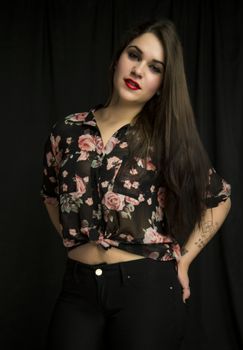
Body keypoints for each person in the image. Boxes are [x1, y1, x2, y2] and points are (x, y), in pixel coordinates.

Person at [40, 18, 231, 350]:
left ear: (162, 82)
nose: (139, 70)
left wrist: (183, 260)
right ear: (118, 60)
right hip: (78, 289)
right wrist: (76, 240)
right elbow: (50, 195)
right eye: (134, 55)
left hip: (147, 290)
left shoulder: (168, 136)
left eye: (154, 67)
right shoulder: (67, 130)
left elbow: (219, 198)